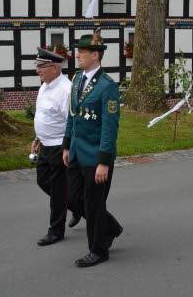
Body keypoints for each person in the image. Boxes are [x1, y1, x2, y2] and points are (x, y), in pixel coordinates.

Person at [63, 30, 122, 267]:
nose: (77, 56)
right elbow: (72, 115)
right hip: (77, 151)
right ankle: (112, 227)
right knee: (74, 198)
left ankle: (98, 250)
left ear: (95, 55)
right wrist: (67, 145)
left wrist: (103, 161)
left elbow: (110, 127)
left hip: (96, 156)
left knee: (94, 204)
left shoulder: (107, 86)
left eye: (82, 52)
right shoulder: (77, 79)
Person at [32, 47, 75, 246]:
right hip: (46, 145)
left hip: (59, 147)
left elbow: (71, 124)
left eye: (42, 66)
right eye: (37, 66)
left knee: (58, 191)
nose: (37, 70)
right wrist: (38, 137)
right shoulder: (45, 85)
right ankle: (75, 206)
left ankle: (56, 231)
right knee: (42, 181)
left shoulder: (65, 90)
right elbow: (44, 116)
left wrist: (67, 148)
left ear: (56, 68)